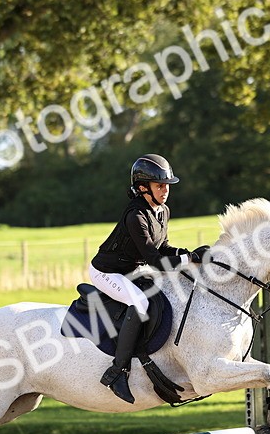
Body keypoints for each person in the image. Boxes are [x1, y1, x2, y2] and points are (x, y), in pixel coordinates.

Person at [89, 154, 209, 403]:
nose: (165, 191)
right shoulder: (136, 216)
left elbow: (162, 247)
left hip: (131, 270)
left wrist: (190, 254)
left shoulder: (162, 211)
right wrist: (187, 261)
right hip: (106, 272)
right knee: (140, 303)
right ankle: (117, 372)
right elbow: (155, 261)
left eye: (167, 185)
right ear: (143, 188)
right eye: (159, 185)